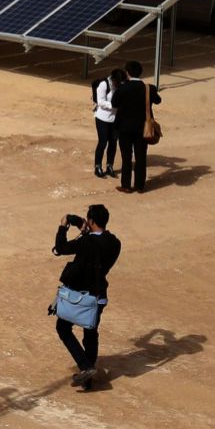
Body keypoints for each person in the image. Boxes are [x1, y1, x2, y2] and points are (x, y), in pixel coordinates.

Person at [53, 203, 121, 390]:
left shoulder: (86, 243)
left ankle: (86, 366)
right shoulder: (115, 242)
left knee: (63, 327)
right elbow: (96, 251)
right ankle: (87, 380)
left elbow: (60, 248)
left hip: (80, 294)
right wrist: (86, 233)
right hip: (98, 295)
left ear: (90, 221)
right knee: (90, 333)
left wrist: (63, 226)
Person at [111, 59, 161, 193]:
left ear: (127, 73)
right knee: (141, 157)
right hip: (142, 128)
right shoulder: (148, 88)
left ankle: (126, 185)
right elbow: (158, 100)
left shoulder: (123, 88)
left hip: (125, 128)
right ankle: (139, 186)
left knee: (126, 157)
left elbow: (114, 103)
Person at [92, 68, 127, 178]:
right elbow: (100, 102)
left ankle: (109, 165)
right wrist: (114, 105)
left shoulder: (121, 85)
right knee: (103, 142)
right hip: (102, 118)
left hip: (115, 119)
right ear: (113, 79)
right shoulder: (104, 84)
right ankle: (98, 166)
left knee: (113, 143)